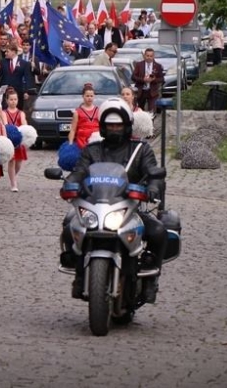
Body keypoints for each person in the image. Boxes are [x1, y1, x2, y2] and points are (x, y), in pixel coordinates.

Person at [61, 98, 167, 302]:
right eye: (110, 125)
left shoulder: (140, 149)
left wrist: (154, 187)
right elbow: (79, 171)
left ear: (127, 126)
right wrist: (69, 183)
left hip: (129, 208)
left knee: (158, 231)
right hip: (95, 206)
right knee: (69, 227)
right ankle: (79, 273)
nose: (114, 129)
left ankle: (151, 280)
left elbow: (153, 172)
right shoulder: (92, 150)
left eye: (118, 125)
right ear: (102, 126)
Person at [3, 89, 28, 192]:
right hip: (10, 140)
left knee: (19, 163)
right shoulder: (4, 113)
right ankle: (13, 183)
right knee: (12, 161)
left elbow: (24, 124)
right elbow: (5, 125)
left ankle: (13, 176)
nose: (13, 101)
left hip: (19, 140)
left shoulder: (21, 113)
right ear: (7, 100)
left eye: (15, 99)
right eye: (11, 99)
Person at [132, 48, 164, 113]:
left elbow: (162, 79)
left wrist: (153, 79)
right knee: (139, 111)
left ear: (153, 56)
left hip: (152, 92)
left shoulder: (158, 66)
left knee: (152, 111)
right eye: (147, 56)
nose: (149, 58)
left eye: (151, 56)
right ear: (144, 56)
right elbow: (133, 77)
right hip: (141, 91)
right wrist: (143, 79)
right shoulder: (139, 65)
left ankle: (151, 118)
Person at [68, 83, 99, 149]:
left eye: (91, 96)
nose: (89, 98)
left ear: (94, 96)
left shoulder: (98, 110)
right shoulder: (77, 112)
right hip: (82, 142)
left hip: (96, 141)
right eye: (87, 96)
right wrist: (70, 144)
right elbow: (73, 129)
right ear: (83, 96)